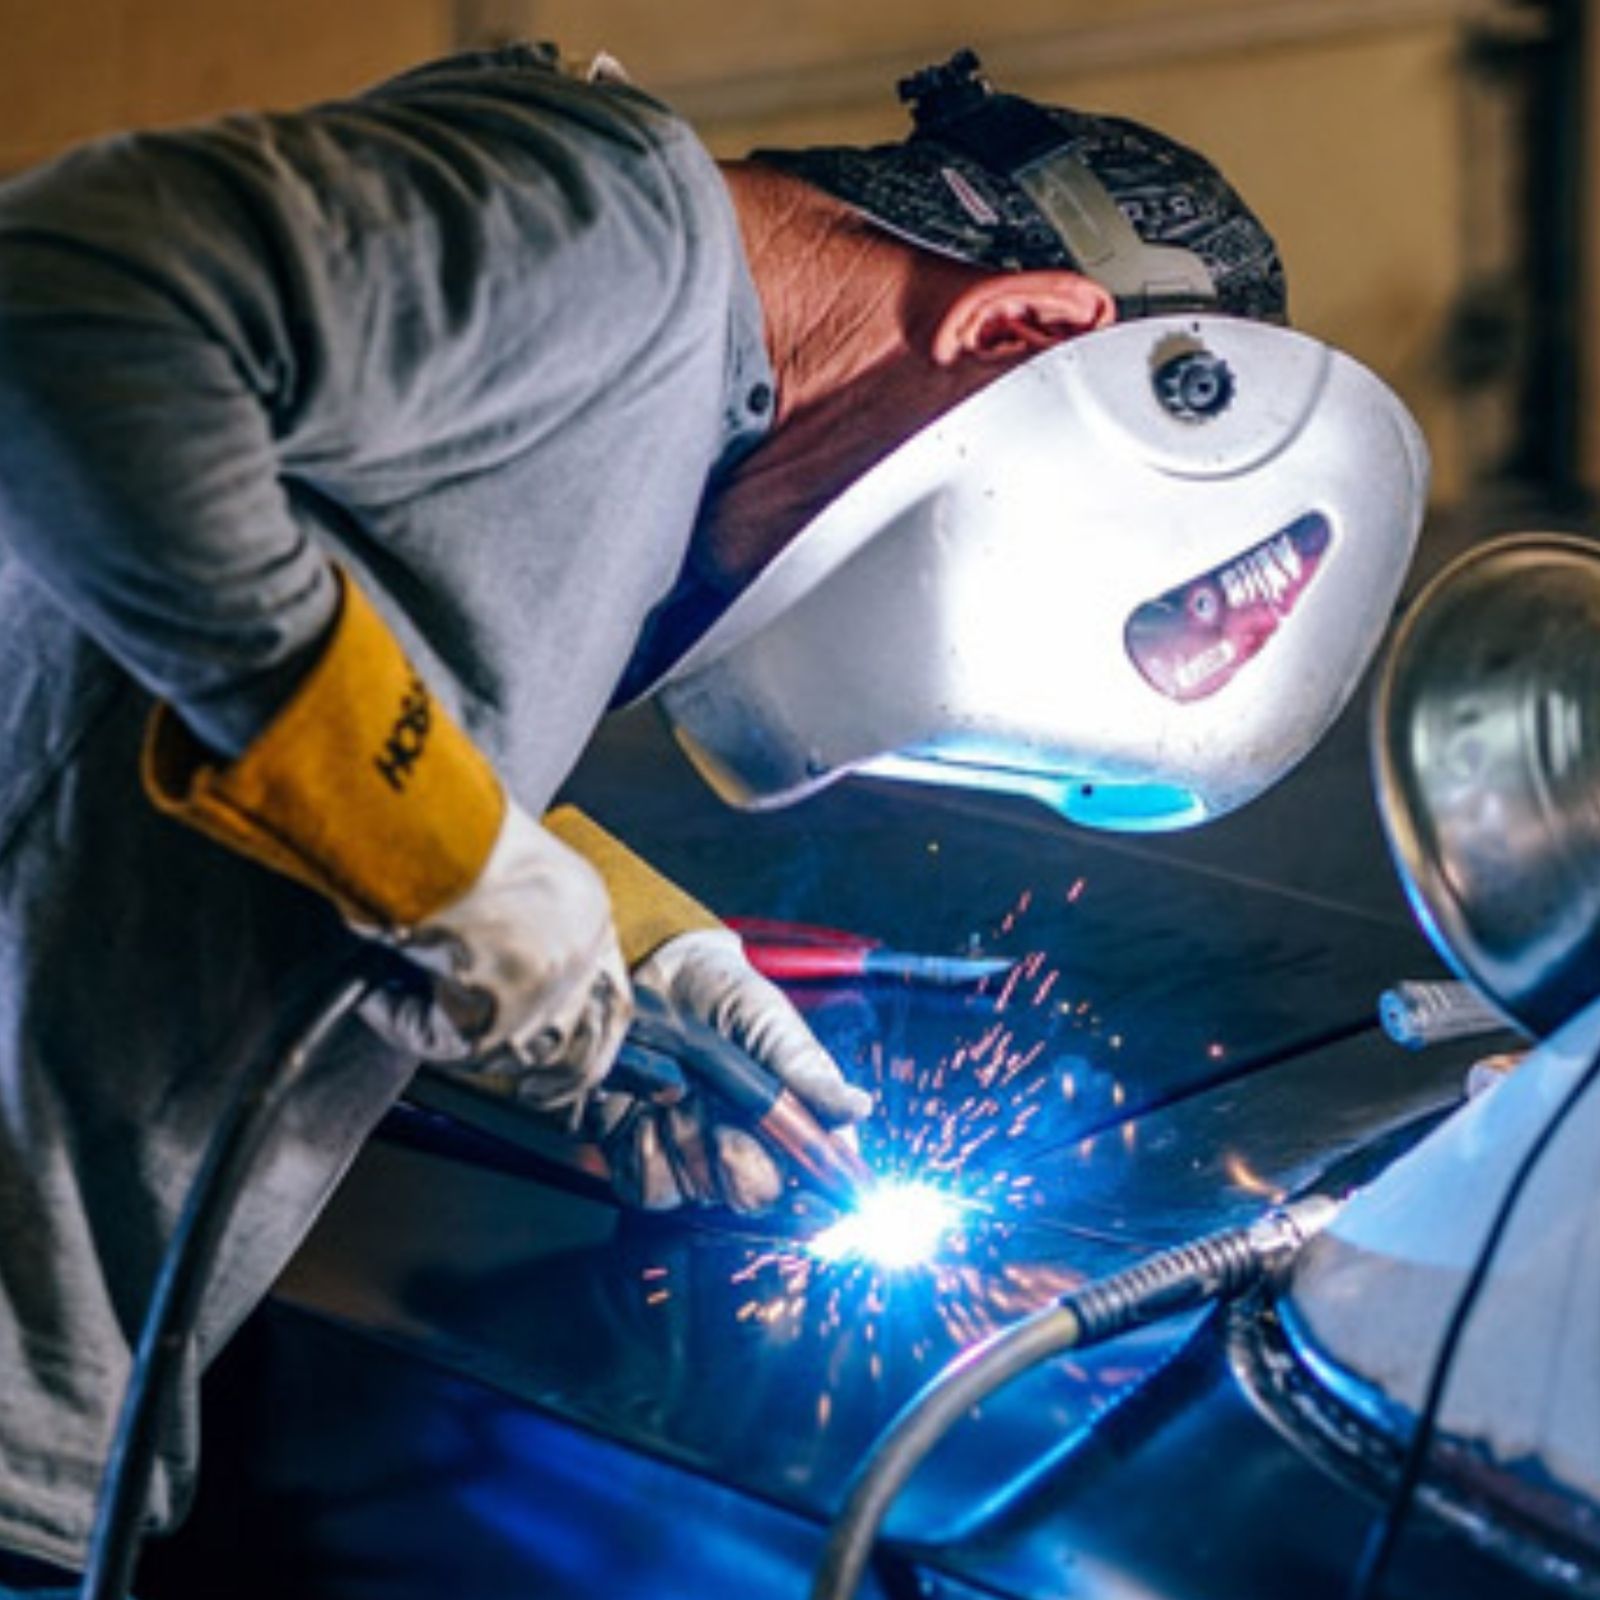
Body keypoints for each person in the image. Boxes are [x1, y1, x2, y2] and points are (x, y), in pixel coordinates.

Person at [0, 40, 1286, 1587]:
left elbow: (221, 674)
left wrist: (649, 953)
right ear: (1010, 332)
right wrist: (446, 861)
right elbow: (63, 311)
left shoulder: (639, 395)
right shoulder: (615, 231)